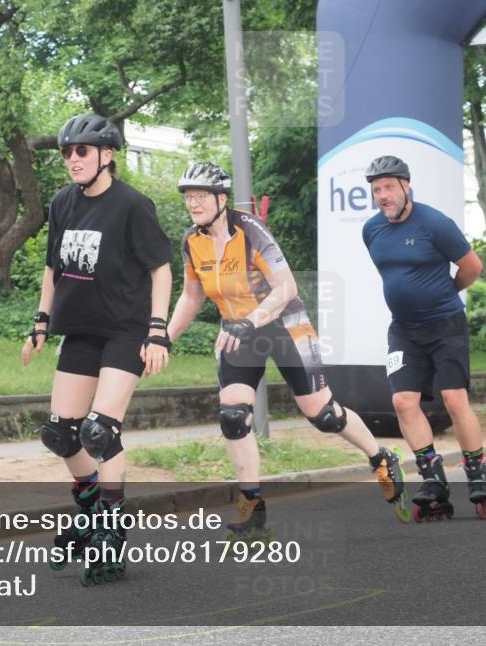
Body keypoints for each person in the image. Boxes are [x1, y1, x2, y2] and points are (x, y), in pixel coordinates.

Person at [167, 163, 407, 537]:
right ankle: (252, 504)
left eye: (200, 196)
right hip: (239, 331)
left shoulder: (250, 230)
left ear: (222, 199)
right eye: (188, 197)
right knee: (233, 416)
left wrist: (251, 321)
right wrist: (163, 338)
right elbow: (192, 296)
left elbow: (286, 287)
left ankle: (381, 457)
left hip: (284, 324)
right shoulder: (191, 242)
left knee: (323, 415)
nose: (193, 203)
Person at [22, 113, 172, 583]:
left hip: (126, 331)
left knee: (100, 431)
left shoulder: (132, 205)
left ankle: (111, 526)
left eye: (81, 150)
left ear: (107, 154)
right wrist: (41, 321)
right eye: (67, 152)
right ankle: (90, 511)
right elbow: (53, 268)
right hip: (81, 331)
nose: (72, 159)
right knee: (61, 434)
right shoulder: (62, 203)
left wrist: (157, 330)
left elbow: (161, 269)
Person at [362, 155, 486, 520]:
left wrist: (446, 293)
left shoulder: (435, 223)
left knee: (454, 399)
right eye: (376, 189)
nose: (382, 195)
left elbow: (472, 266)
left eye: (389, 187)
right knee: (403, 402)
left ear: (406, 186)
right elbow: (393, 275)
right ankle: (433, 478)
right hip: (404, 329)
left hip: (445, 325)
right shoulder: (371, 230)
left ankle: (476, 471)